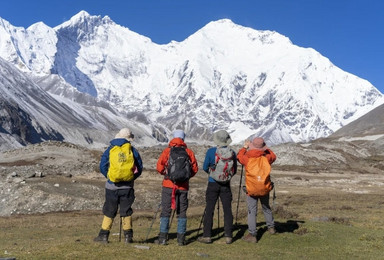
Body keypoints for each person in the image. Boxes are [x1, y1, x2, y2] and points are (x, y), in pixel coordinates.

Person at [94, 128, 143, 244]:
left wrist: (110, 177)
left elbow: (102, 166)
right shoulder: (132, 150)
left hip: (112, 187)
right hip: (127, 187)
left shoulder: (110, 149)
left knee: (109, 210)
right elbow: (139, 168)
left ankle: (104, 236)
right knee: (126, 211)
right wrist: (130, 178)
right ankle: (128, 237)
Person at [156, 129, 198, 246]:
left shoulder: (167, 151)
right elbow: (194, 169)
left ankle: (163, 238)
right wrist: (186, 178)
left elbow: (159, 167)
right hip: (183, 187)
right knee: (182, 211)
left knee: (165, 210)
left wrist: (166, 174)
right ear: (183, 139)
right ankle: (181, 239)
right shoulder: (189, 152)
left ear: (173, 138)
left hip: (168, 185)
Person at [198, 130, 237, 245]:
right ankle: (229, 236)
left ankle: (207, 236)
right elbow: (234, 170)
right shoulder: (232, 153)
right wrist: (226, 177)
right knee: (227, 209)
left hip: (212, 183)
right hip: (226, 184)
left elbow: (205, 167)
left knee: (209, 208)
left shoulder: (211, 151)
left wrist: (213, 174)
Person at [237, 136, 277, 243]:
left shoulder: (247, 158)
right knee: (266, 207)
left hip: (251, 189)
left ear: (252, 146)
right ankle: (271, 227)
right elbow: (273, 156)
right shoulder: (267, 158)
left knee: (252, 211)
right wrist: (266, 149)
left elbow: (239, 156)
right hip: (264, 187)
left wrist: (244, 147)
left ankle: (252, 234)